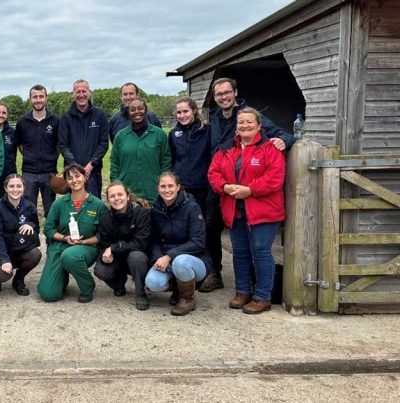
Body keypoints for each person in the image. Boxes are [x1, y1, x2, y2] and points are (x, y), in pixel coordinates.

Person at [201, 77, 295, 293]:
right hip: (222, 186)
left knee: (259, 248)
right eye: (219, 94)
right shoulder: (214, 118)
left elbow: (284, 134)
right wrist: (222, 185)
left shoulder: (247, 115)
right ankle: (216, 273)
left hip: (251, 192)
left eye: (226, 92)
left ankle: (261, 291)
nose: (223, 97)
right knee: (211, 229)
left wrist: (284, 141)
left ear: (235, 93)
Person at [208, 107, 286, 314]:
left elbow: (274, 178)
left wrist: (249, 190)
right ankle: (243, 291)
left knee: (260, 252)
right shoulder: (227, 149)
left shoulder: (270, 148)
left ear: (259, 125)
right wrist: (224, 187)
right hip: (235, 210)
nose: (244, 125)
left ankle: (262, 296)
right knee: (240, 253)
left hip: (263, 211)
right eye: (241, 122)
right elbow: (213, 173)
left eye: (249, 122)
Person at [37, 163, 108, 303]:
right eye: (70, 178)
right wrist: (64, 238)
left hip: (86, 248)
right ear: (67, 183)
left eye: (77, 176)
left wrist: (84, 242)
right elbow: (48, 229)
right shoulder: (59, 203)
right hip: (60, 246)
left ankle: (88, 286)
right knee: (48, 294)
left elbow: (103, 235)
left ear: (85, 178)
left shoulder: (98, 205)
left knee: (70, 256)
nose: (74, 180)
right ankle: (61, 278)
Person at [145, 172, 211, 316]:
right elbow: (154, 240)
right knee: (153, 282)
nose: (167, 190)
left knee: (180, 262)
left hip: (194, 260)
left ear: (178, 187)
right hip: (167, 259)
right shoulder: (156, 209)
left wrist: (169, 256)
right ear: (158, 188)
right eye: (163, 186)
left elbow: (198, 242)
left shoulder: (192, 208)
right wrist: (158, 258)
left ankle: (187, 299)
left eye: (170, 186)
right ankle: (178, 290)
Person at [94, 182, 151, 309]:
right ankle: (119, 283)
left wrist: (114, 248)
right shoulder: (106, 219)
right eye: (112, 196)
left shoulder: (140, 213)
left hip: (137, 255)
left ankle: (140, 293)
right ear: (108, 200)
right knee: (100, 270)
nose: (117, 198)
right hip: (117, 258)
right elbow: (104, 244)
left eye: (120, 194)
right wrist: (105, 254)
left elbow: (141, 243)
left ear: (128, 196)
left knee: (137, 257)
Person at [0, 174, 42, 296]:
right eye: (11, 186)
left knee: (35, 254)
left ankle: (19, 279)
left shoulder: (30, 207)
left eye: (19, 186)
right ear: (5, 188)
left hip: (19, 248)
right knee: (3, 275)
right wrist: (5, 260)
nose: (15, 190)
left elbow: (37, 229)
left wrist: (30, 225)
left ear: (23, 188)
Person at [110, 99, 172, 204]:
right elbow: (115, 162)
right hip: (127, 191)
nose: (136, 112)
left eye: (140, 108)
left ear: (146, 111)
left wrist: (163, 184)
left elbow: (166, 161)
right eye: (132, 110)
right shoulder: (120, 136)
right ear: (128, 114)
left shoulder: (159, 134)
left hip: (152, 192)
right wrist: (117, 185)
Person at [14, 84, 60, 217]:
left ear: (46, 98)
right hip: (29, 173)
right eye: (35, 97)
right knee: (28, 210)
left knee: (50, 211)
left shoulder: (55, 120)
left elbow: (58, 146)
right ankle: (31, 237)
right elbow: (20, 145)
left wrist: (50, 158)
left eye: (41, 96)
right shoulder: (22, 121)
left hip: (49, 173)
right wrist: (30, 156)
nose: (38, 100)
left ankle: (51, 237)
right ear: (30, 99)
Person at [58, 80, 109, 198]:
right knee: (73, 207)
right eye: (78, 91)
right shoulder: (65, 118)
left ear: (89, 92)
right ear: (73, 94)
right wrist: (75, 167)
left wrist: (90, 165)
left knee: (93, 207)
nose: (81, 95)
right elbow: (63, 145)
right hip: (72, 173)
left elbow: (103, 143)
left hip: (93, 172)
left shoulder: (99, 115)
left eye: (84, 91)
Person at [169, 97, 212, 214]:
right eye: (179, 112)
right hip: (180, 186)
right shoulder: (173, 134)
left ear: (193, 111)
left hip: (202, 186)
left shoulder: (207, 130)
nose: (182, 115)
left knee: (199, 220)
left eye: (185, 111)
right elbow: (172, 158)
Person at [0, 103, 17, 193]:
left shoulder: (12, 132)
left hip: (8, 172)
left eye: (3, 113)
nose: (0, 115)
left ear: (7, 115)